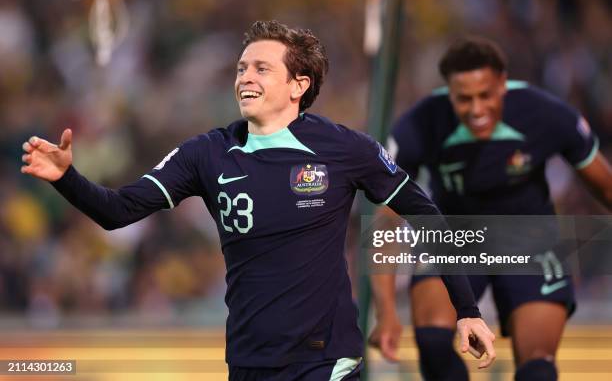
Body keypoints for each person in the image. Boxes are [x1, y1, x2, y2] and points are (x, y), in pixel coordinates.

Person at [21, 21, 495, 380]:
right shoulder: (206, 152)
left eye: (261, 68)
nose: (245, 76)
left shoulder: (346, 149)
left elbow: (428, 216)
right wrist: (67, 178)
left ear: (298, 85)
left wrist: (467, 311)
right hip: (248, 361)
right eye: (242, 67)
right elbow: (116, 211)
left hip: (326, 360)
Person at [369, 36, 612, 380]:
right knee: (434, 343)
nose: (477, 109)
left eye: (486, 95)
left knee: (538, 371)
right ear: (449, 93)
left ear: (503, 84)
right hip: (455, 241)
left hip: (531, 245)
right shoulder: (419, 125)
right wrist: (386, 313)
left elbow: (605, 186)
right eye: (464, 99)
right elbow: (384, 223)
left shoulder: (546, 114)